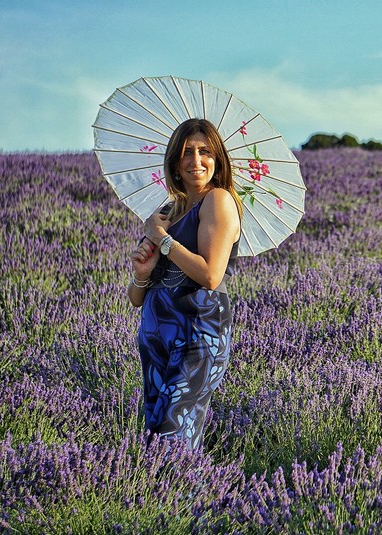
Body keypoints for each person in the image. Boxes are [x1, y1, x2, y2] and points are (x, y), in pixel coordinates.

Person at [128, 118, 243, 450]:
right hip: (155, 334)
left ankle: (186, 498)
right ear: (175, 163)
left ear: (217, 159)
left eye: (204, 152)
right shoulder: (167, 211)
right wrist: (144, 270)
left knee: (173, 431)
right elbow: (136, 297)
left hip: (197, 331)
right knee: (154, 434)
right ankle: (159, 501)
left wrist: (161, 240)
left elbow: (210, 276)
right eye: (186, 153)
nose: (196, 161)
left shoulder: (218, 201)